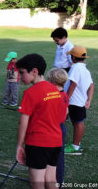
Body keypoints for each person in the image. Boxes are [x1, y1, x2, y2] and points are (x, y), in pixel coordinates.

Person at [15, 54, 64, 189]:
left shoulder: (30, 93)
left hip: (38, 143)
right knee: (50, 179)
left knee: (36, 182)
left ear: (34, 71)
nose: (20, 77)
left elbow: (22, 123)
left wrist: (19, 146)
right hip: (55, 142)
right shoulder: (55, 90)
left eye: (22, 72)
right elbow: (61, 117)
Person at [63, 46, 94, 155]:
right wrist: (89, 100)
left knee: (78, 123)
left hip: (74, 102)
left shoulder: (75, 68)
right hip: (79, 102)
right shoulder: (85, 69)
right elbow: (91, 85)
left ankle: (75, 147)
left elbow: (73, 83)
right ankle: (75, 144)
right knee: (77, 122)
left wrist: (65, 99)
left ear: (73, 57)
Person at [47, 68, 69, 184]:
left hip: (53, 129)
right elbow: (66, 112)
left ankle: (52, 182)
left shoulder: (52, 96)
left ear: (54, 82)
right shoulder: (64, 95)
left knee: (51, 157)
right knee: (59, 157)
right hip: (61, 128)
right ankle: (58, 181)